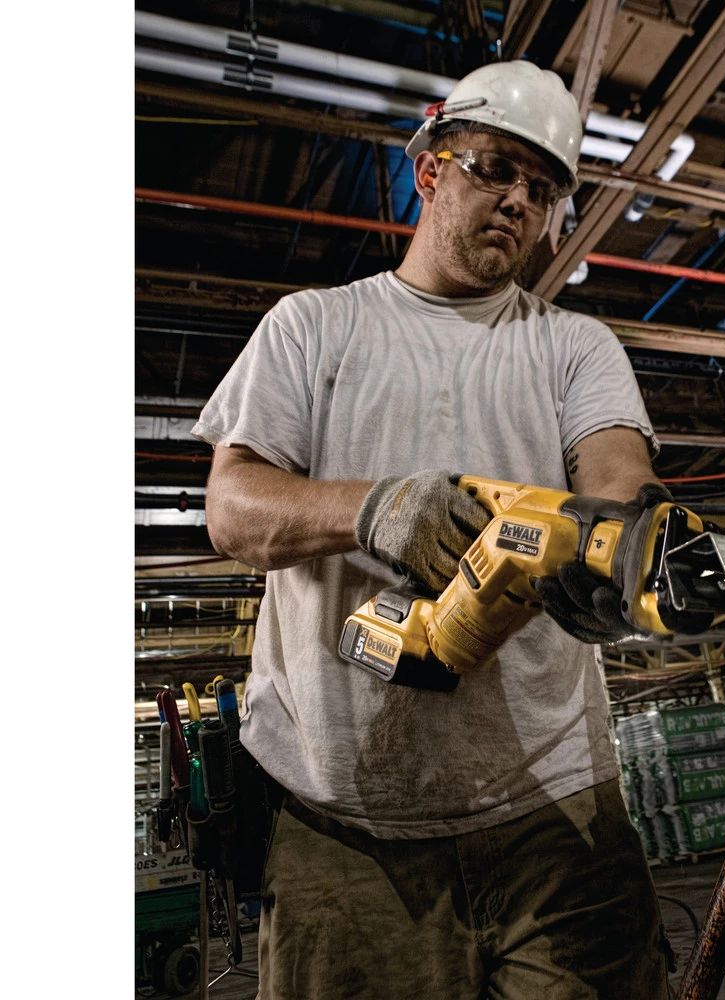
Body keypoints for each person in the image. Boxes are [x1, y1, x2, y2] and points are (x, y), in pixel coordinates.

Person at [194, 59, 672, 1000]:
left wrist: (626, 541)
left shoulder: (573, 345)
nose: (518, 201)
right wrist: (373, 510)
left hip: (557, 810)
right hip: (345, 827)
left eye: (542, 190)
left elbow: (619, 473)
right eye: (496, 168)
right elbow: (232, 507)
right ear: (429, 169)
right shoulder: (312, 329)